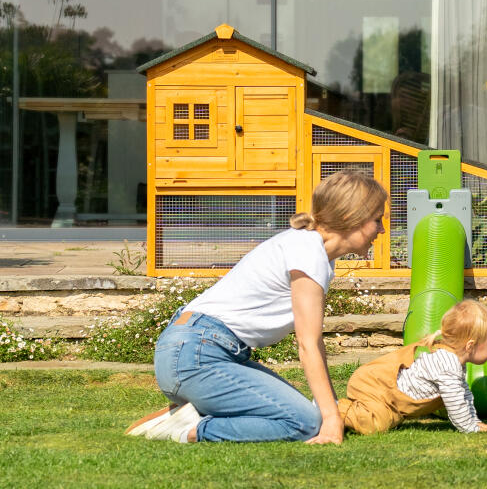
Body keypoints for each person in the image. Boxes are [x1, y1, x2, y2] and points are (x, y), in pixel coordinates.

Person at [126, 170, 386, 444]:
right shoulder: (309, 252)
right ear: (350, 218)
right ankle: (187, 429)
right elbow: (308, 344)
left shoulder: (310, 249)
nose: (381, 230)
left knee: (313, 415)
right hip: (197, 354)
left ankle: (190, 413)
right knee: (304, 423)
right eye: (377, 220)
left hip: (195, 350)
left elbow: (312, 342)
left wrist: (329, 410)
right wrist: (332, 419)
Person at [339, 299, 487, 435]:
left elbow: (464, 395)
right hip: (378, 388)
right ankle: (334, 409)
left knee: (389, 421)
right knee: (374, 424)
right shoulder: (448, 365)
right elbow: (455, 402)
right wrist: (470, 428)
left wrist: (476, 422)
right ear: (470, 345)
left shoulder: (454, 361)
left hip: (392, 401)